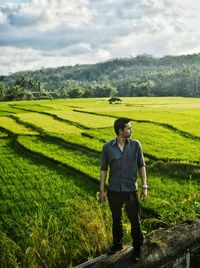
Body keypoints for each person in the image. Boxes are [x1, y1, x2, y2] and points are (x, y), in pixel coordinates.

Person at [99, 117, 147, 262]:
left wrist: (144, 186)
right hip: (113, 190)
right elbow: (103, 169)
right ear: (121, 131)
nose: (131, 130)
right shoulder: (107, 147)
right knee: (116, 219)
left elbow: (141, 165)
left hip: (130, 190)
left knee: (134, 220)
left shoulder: (135, 145)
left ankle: (137, 248)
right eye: (129, 128)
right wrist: (102, 190)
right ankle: (117, 245)